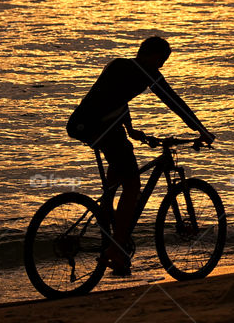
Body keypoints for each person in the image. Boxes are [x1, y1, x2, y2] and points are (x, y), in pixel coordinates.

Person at [67, 36, 215, 276]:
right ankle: (115, 249)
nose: (162, 66)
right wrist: (201, 129)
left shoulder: (120, 65)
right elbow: (173, 101)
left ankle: (115, 244)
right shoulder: (146, 73)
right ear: (151, 55)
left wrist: (131, 129)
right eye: (162, 60)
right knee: (133, 186)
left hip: (90, 125)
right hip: (101, 128)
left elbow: (112, 98)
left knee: (115, 180)